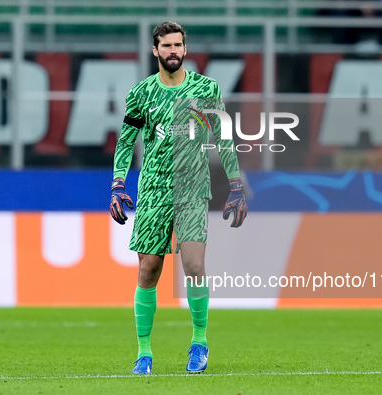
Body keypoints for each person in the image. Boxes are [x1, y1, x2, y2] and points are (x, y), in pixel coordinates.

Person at [109, 21, 247, 375]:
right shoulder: (141, 93)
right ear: (155, 51)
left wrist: (236, 184)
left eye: (178, 45)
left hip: (191, 187)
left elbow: (224, 138)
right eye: (166, 46)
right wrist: (118, 185)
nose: (173, 51)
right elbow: (126, 141)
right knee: (148, 270)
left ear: (185, 49)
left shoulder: (205, 88)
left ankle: (199, 343)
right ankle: (144, 353)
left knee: (194, 266)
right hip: (153, 188)